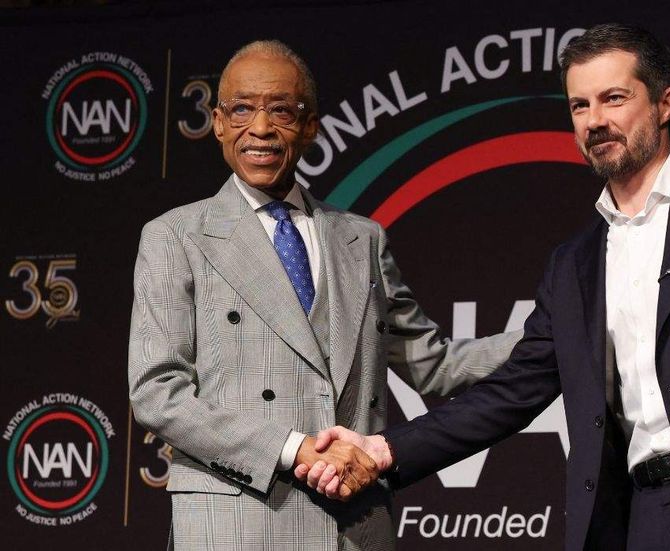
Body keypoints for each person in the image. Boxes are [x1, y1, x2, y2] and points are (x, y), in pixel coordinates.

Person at [298, 24, 670, 551]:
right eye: (580, 106)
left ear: (665, 103)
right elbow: (512, 391)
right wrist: (384, 449)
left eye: (614, 99)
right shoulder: (575, 264)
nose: (595, 121)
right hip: (642, 516)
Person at [127, 40, 519, 550]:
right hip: (236, 525)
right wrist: (292, 448)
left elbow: (435, 364)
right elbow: (158, 393)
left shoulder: (362, 239)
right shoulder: (176, 236)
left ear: (310, 125)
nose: (260, 128)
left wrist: (556, 334)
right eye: (242, 109)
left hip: (353, 526)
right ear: (219, 123)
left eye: (281, 110)